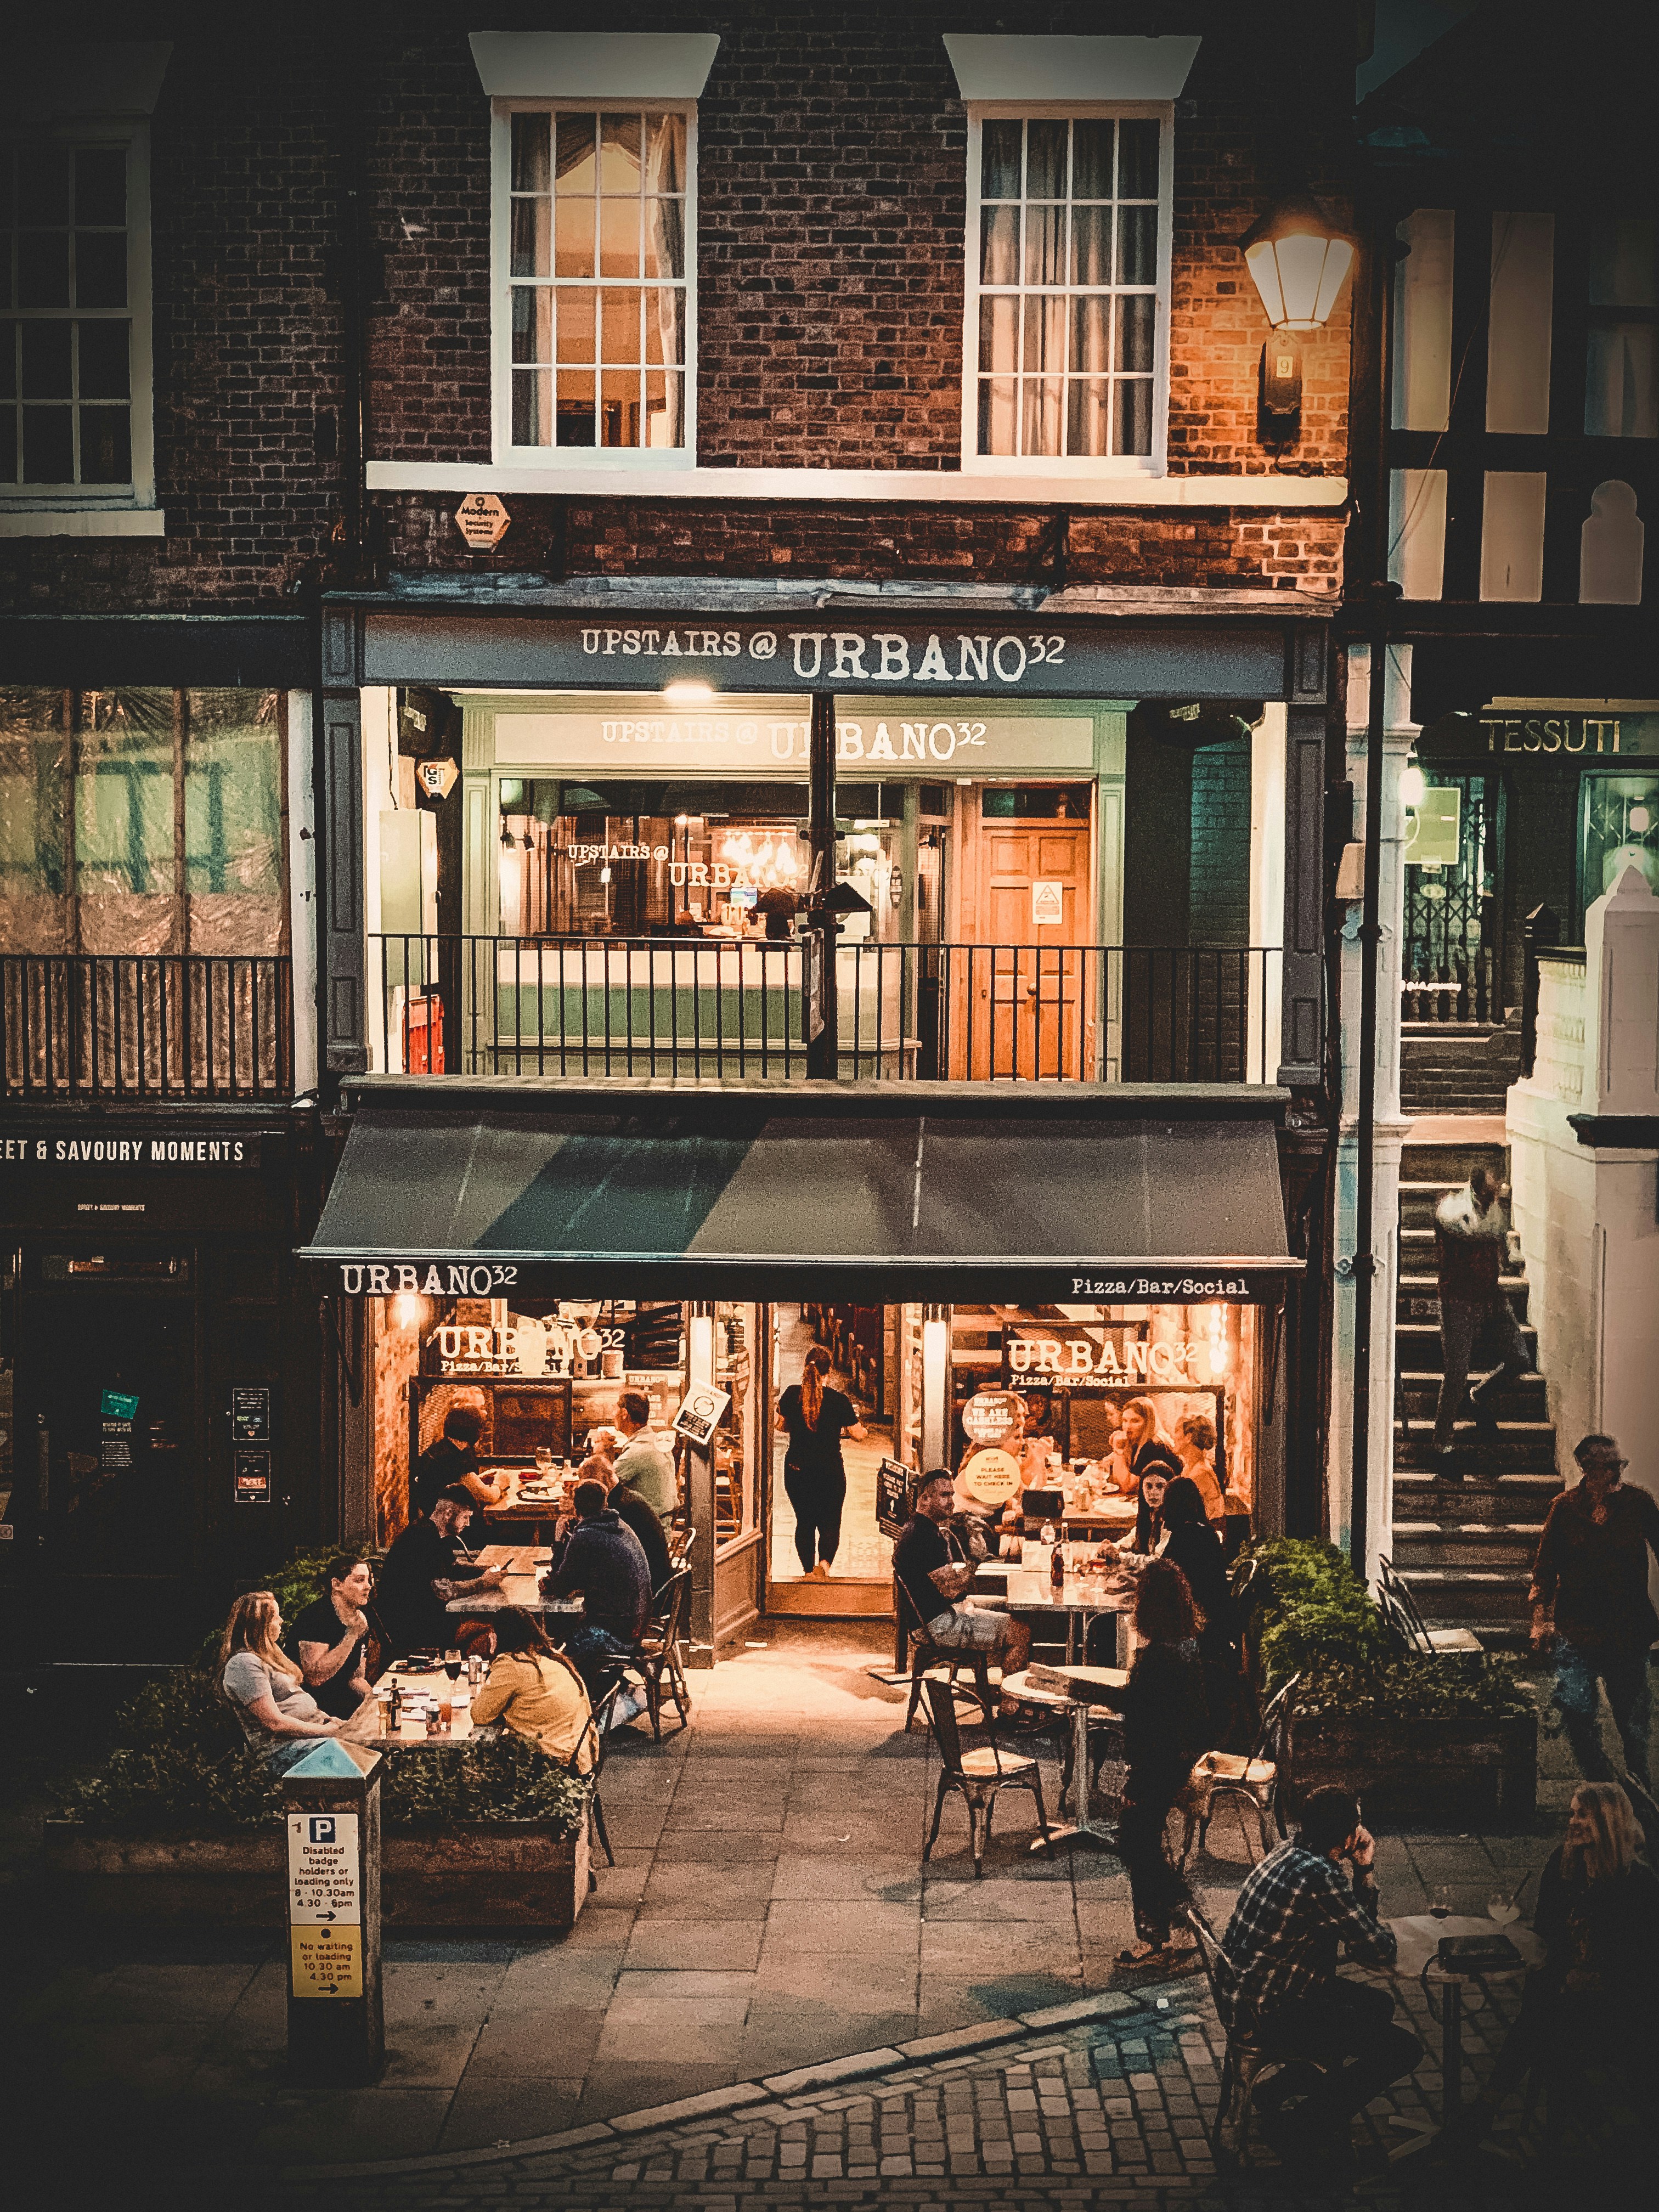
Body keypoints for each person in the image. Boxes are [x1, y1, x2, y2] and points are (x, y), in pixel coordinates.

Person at [1443, 1782, 1659, 2152]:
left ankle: (1488, 2109)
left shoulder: (1638, 1884)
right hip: (1567, 1991)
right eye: (1571, 1813)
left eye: (1582, 1814)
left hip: (1620, 2004)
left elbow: (1643, 1963)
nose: (1573, 1822)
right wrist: (1568, 1870)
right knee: (1546, 2017)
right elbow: (1546, 1931)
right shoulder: (1565, 1863)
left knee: (1544, 2026)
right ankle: (1590, 2126)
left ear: (1607, 1821)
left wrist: (1594, 1978)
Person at [1219, 1786, 1421, 2175]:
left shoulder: (1286, 1850)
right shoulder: (1321, 1878)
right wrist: (1365, 1868)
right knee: (1401, 2050)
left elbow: (1352, 1925)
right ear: (1347, 1836)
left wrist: (1357, 1868)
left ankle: (1277, 2089)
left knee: (1379, 2007)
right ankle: (1301, 2128)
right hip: (1273, 2011)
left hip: (1247, 1994)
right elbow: (1375, 1946)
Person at [1530, 1433, 1659, 1790]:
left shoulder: (1638, 1504)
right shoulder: (1565, 1508)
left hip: (1627, 1632)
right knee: (1575, 1714)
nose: (1618, 1472)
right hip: (1577, 1631)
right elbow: (1544, 1567)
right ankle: (1603, 1787)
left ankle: (1640, 1796)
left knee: (1633, 1726)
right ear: (1588, 1468)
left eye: (1621, 1465)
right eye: (1611, 1466)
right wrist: (1540, 1620)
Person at [1117, 1559, 1210, 1965]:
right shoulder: (1188, 1649)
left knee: (1137, 1842)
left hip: (1155, 1765)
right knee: (1142, 1841)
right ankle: (1175, 1919)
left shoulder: (1155, 1660)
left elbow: (1144, 1723)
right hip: (1178, 1760)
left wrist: (1135, 1784)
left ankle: (1166, 1924)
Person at [1432, 1165, 1532, 1476]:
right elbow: (1473, 1233)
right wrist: (1498, 1232)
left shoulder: (1495, 1210)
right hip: (1458, 1298)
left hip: (1490, 1295)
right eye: (1490, 1192)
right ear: (1476, 1188)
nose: (1495, 1198)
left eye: (1498, 1191)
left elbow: (1500, 1239)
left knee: (1519, 1358)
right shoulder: (1452, 1206)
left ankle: (1480, 1395)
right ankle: (1442, 1445)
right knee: (1457, 1371)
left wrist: (1507, 1245)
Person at [892, 1468, 1031, 1672]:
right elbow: (952, 1591)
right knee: (1020, 1633)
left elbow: (950, 1579)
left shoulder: (924, 1528)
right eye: (944, 1495)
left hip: (944, 1611)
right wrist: (975, 1560)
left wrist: (964, 1568)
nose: (951, 1502)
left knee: (1012, 1607)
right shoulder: (922, 1537)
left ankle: (1001, 1679)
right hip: (938, 1624)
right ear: (925, 1499)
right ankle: (1011, 1702)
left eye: (952, 1495)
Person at [544, 1478, 652, 1720]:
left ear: (576, 1508)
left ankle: (575, 1715)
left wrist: (560, 1541)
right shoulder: (620, 1526)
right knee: (565, 1632)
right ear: (605, 1502)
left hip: (615, 1633)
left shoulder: (586, 1536)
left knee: (555, 1659)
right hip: (637, 1622)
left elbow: (561, 1587)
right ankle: (608, 1693)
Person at [218, 1589, 346, 1773]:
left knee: (369, 1743)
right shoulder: (243, 1663)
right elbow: (275, 1723)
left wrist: (330, 1722)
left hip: (310, 1737)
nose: (281, 1622)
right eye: (276, 1617)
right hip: (283, 1750)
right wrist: (328, 1732)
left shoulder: (270, 1657)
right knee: (356, 1755)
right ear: (261, 1625)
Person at [1159, 1475, 1244, 1740]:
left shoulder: (1184, 1536)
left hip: (1197, 1626)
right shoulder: (1206, 1532)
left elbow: (1166, 1576)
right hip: (1216, 1622)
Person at [374, 1486, 505, 1656]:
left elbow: (453, 1568)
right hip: (415, 1629)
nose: (468, 1524)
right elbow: (442, 1590)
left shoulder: (434, 1533)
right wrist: (483, 1583)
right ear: (449, 1513)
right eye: (465, 1517)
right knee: (492, 1632)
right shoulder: (422, 1539)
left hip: (429, 1621)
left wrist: (484, 1569)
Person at [774, 1345, 867, 1579]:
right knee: (830, 1521)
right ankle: (824, 1568)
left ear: (806, 1367)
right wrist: (864, 1430)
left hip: (797, 1471)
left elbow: (781, 1426)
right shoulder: (839, 1401)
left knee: (804, 1521)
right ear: (830, 1372)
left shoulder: (791, 1395)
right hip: (830, 1473)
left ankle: (807, 1572)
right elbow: (857, 1434)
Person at [467, 1606, 596, 1773]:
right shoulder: (551, 1656)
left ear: (499, 1637)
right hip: (582, 1753)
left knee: (475, 1765)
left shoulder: (513, 1664)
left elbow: (480, 1715)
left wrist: (493, 1654)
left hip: (555, 1761)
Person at [571, 1450, 670, 1593]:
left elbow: (596, 1556)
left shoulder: (619, 1510)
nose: (586, 1490)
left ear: (605, 1478)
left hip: (646, 1593)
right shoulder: (627, 1498)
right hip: (651, 1584)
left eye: (588, 1483)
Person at [290, 1556, 375, 1720]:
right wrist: (351, 1635)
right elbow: (315, 1678)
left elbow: (355, 1678)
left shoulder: (360, 1618)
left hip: (343, 1705)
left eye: (369, 1580)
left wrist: (375, 1701)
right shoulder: (316, 1617)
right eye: (360, 1580)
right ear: (337, 1585)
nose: (368, 1587)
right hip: (311, 1709)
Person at [413, 1403, 508, 1516]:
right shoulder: (456, 1458)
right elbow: (489, 1497)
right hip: (450, 1524)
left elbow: (457, 1482)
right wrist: (499, 1484)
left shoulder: (439, 1449)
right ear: (474, 1432)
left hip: (434, 1516)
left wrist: (479, 1479)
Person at [611, 1389, 678, 1523]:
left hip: (646, 1533)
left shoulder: (639, 1451)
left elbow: (602, 1485)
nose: (612, 1415)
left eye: (614, 1410)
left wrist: (600, 1450)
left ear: (624, 1414)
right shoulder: (653, 1441)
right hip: (658, 1526)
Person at [1173, 1412, 1227, 1524]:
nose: (1174, 1437)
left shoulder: (1200, 1474)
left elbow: (1181, 1514)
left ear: (1189, 1437)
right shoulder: (1189, 1468)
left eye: (1177, 1431)